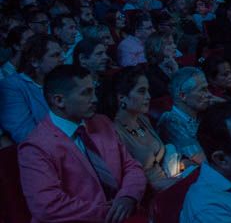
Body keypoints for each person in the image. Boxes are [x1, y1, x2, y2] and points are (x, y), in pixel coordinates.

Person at [18, 64, 147, 222]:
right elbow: (48, 207)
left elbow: (131, 165)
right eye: (86, 93)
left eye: (93, 90)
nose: (95, 99)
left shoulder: (102, 122)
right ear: (59, 100)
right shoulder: (35, 147)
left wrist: (128, 195)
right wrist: (109, 212)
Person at [104, 66, 186, 191]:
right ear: (122, 98)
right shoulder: (115, 132)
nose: (148, 96)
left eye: (148, 91)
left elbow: (159, 161)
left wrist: (182, 164)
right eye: (142, 91)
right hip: (149, 195)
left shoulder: (142, 119)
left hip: (168, 182)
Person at [0, 34, 63, 142]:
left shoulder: (62, 82)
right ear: (35, 62)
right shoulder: (12, 87)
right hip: (47, 151)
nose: (62, 59)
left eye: (61, 55)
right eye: (55, 55)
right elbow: (25, 134)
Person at [158, 67, 214, 164]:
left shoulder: (202, 113)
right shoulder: (170, 121)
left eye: (207, 89)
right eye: (203, 90)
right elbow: (200, 159)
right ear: (183, 96)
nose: (209, 95)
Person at [144, 31, 180, 99]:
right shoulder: (150, 73)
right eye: (169, 44)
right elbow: (170, 93)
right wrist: (175, 71)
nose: (175, 46)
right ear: (156, 47)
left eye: (173, 43)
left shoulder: (178, 64)